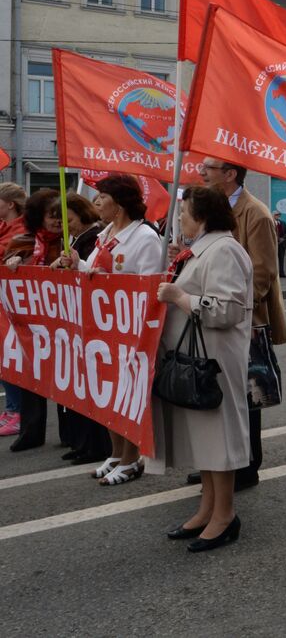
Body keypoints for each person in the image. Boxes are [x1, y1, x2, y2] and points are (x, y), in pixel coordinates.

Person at [155, 186, 254, 553]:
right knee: (206, 441)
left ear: (203, 216)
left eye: (184, 212)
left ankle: (224, 515)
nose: (180, 218)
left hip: (214, 361)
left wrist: (180, 297)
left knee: (219, 439)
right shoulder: (205, 248)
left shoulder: (224, 250)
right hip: (200, 360)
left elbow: (226, 309)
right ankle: (207, 508)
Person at [55, 174, 165, 482]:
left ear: (118, 202)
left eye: (101, 197)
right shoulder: (105, 234)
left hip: (130, 332)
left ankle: (132, 459)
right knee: (107, 394)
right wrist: (77, 263)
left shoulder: (144, 237)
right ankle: (116, 453)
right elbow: (94, 271)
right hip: (103, 330)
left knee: (127, 395)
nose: (96, 203)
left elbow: (147, 284)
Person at [195, 158, 286, 491]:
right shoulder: (213, 212)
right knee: (219, 393)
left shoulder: (256, 213)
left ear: (230, 174)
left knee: (247, 397)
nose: (201, 172)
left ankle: (247, 465)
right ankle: (220, 462)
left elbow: (263, 273)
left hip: (245, 319)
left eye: (209, 168)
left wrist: (239, 311)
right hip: (214, 316)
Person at [4, 189, 62, 452]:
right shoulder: (23, 241)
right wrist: (14, 262)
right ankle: (30, 430)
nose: (57, 220)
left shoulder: (68, 243)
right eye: (51, 215)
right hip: (31, 322)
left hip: (61, 320)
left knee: (65, 376)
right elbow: (6, 268)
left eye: (61, 215)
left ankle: (71, 434)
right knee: (30, 372)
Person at [56, 194, 111, 463]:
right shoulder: (75, 239)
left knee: (93, 384)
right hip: (75, 318)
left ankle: (96, 445)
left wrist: (76, 265)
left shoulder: (94, 237)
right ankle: (82, 442)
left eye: (71, 220)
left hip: (92, 319)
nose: (68, 225)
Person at [0, 183, 25, 437]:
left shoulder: (20, 229)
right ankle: (11, 409)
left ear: (10, 204)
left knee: (9, 356)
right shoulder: (6, 227)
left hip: (10, 304)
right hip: (3, 302)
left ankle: (16, 410)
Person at [273, 211, 286, 278]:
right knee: (274, 260)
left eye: (278, 215)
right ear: (273, 215)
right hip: (274, 244)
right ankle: (275, 274)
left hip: (282, 244)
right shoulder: (271, 222)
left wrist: (283, 238)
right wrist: (276, 239)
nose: (277, 216)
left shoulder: (283, 223)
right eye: (276, 215)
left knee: (281, 259)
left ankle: (282, 273)